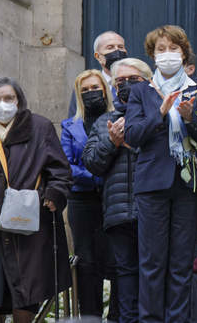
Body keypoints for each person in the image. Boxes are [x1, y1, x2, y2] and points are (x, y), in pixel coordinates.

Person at [124, 25, 197, 323]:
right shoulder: (141, 91)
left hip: (188, 184)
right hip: (153, 184)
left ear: (184, 53)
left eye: (173, 48)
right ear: (152, 55)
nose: (167, 54)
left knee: (181, 262)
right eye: (161, 49)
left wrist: (190, 119)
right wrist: (160, 113)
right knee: (152, 262)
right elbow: (133, 136)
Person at [0, 77, 72, 323]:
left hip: (28, 224)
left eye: (8, 98)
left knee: (26, 294)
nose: (2, 104)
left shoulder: (39, 127)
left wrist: (53, 195)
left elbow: (60, 170)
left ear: (19, 101)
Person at [83, 58, 152, 323]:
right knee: (125, 274)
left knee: (153, 271)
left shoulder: (157, 114)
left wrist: (134, 141)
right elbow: (92, 164)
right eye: (120, 81)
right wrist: (112, 142)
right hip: (119, 212)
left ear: (147, 81)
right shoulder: (105, 121)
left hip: (153, 209)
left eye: (133, 80)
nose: (125, 85)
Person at [61, 69, 116, 319]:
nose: (90, 93)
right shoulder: (69, 126)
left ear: (105, 90)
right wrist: (96, 175)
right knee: (86, 263)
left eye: (95, 88)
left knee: (116, 261)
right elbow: (66, 166)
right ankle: (90, 317)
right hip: (81, 201)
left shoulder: (118, 119)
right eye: (84, 90)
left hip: (112, 200)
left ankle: (118, 316)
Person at [68, 30, 127, 118]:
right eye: (110, 47)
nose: (117, 50)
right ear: (98, 56)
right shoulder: (85, 87)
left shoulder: (137, 82)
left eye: (121, 47)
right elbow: (74, 120)